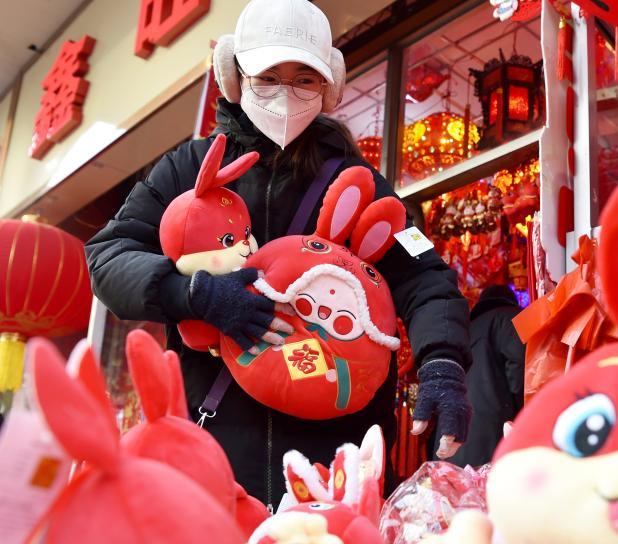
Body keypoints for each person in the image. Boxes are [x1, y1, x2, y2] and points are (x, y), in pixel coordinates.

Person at [85, 0, 470, 507]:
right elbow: (109, 256)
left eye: (304, 79)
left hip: (335, 460)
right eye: (269, 76)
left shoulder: (359, 185)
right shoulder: (187, 169)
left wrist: (443, 361)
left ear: (326, 87)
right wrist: (195, 294)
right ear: (236, 76)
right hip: (216, 454)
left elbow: (426, 277)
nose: (285, 94)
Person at [448, 285, 525, 468]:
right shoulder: (511, 317)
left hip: (456, 432)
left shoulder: (465, 330)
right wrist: (522, 411)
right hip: (494, 428)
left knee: (461, 491)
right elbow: (519, 365)